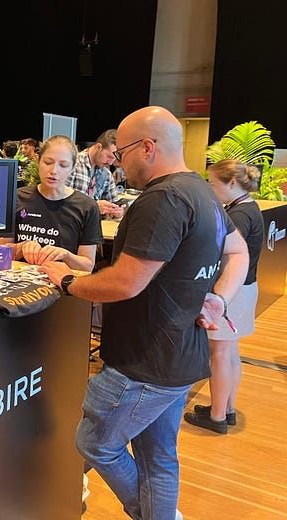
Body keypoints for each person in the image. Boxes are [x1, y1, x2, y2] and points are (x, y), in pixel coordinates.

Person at [41, 106, 249, 520]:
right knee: (158, 458)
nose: (119, 161)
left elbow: (126, 282)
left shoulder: (163, 199)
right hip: (181, 359)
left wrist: (67, 281)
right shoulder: (202, 192)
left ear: (148, 148)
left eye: (122, 152)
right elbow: (238, 251)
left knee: (95, 443)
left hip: (143, 362)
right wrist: (220, 298)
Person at [184, 160, 264, 434]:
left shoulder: (239, 216)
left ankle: (217, 416)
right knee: (229, 352)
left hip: (233, 292)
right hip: (244, 289)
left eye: (213, 183)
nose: (209, 187)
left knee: (219, 354)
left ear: (232, 183)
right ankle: (225, 408)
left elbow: (225, 253)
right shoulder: (248, 208)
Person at [12, 135, 102, 272]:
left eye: (63, 165)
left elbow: (87, 265)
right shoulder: (17, 197)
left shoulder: (87, 207)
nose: (54, 171)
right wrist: (22, 247)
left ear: (72, 169)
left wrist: (65, 255)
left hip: (61, 285)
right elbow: (1, 252)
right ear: (38, 161)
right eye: (48, 162)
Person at [66, 129, 124, 219]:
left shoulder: (106, 174)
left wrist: (117, 211)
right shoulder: (72, 164)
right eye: (109, 157)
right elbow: (60, 201)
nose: (111, 163)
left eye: (114, 159)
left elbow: (114, 202)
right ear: (98, 147)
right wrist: (94, 206)